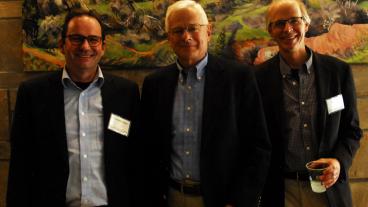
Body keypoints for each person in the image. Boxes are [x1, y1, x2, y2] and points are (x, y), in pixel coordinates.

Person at [140, 1, 271, 207]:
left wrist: (241, 199)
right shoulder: (155, 84)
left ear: (208, 31)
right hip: (170, 197)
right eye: (178, 30)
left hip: (223, 200)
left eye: (193, 28)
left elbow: (258, 146)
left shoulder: (239, 78)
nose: (186, 36)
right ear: (169, 38)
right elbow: (146, 147)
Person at [7, 9, 140, 207]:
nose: (85, 46)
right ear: (62, 44)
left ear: (103, 46)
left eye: (93, 39)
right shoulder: (33, 94)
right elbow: (21, 163)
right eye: (77, 38)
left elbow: (136, 159)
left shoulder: (126, 93)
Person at [255, 0, 363, 206]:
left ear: (306, 24)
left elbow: (352, 131)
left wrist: (339, 162)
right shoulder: (257, 79)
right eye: (279, 23)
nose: (288, 29)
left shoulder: (338, 73)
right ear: (271, 31)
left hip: (329, 191)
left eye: (295, 21)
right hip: (281, 192)